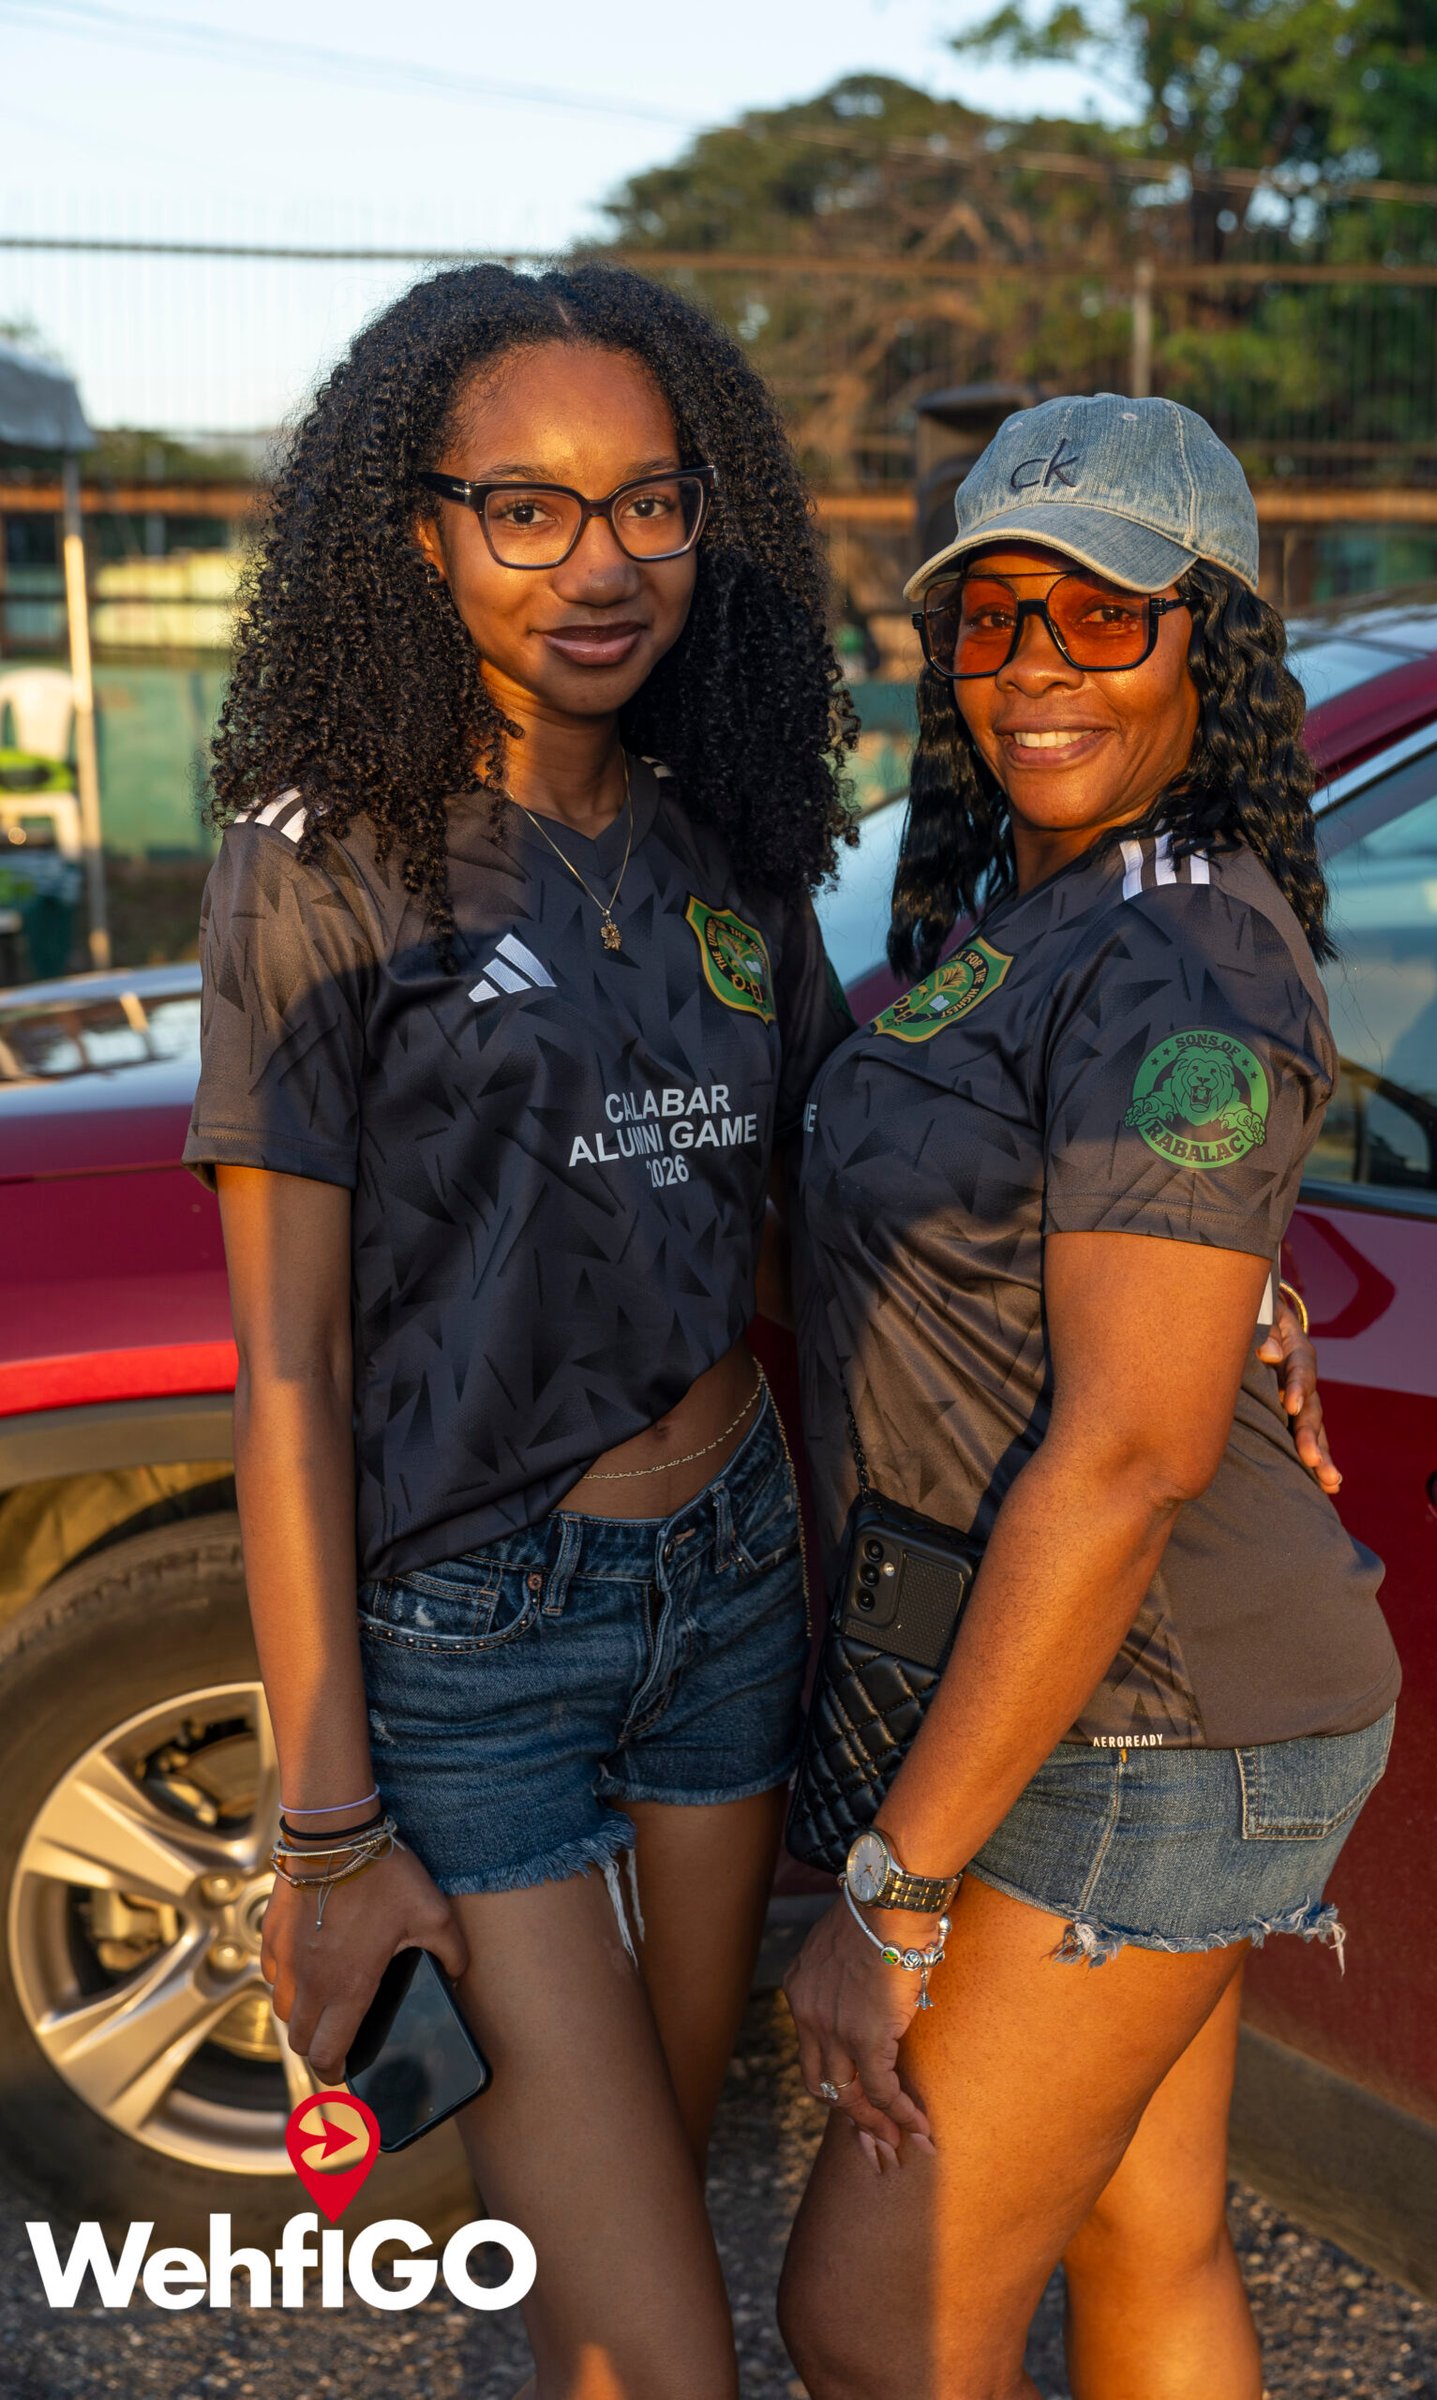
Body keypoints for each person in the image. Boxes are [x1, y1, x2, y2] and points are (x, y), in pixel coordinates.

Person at [183, 261, 857, 2400]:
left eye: (648, 502)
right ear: (419, 531)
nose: (599, 565)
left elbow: (852, 1185)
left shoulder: (727, 832)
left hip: (730, 1590)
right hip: (478, 1633)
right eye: (527, 508)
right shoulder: (323, 856)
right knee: (665, 2347)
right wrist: (325, 1832)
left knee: (619, 2260)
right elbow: (285, 1369)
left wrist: (1236, 1288)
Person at [780, 394, 1401, 2400]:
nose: (1034, 667)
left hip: (1139, 1719)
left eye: (1102, 616)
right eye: (992, 617)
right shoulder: (1072, 901)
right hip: (1116, 1689)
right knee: (1147, 2234)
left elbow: (1129, 1457)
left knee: (871, 2323)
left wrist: (892, 1899)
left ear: (1210, 647)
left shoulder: (1181, 955)